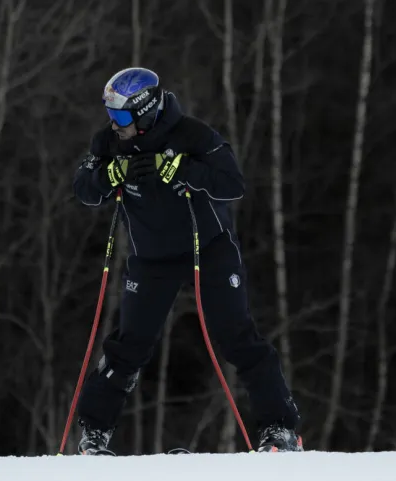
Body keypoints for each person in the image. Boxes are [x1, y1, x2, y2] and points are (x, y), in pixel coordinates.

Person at [72, 67, 303, 454]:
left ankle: (279, 428)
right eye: (111, 116)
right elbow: (83, 187)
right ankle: (95, 432)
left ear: (145, 112)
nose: (115, 125)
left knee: (236, 336)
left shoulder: (192, 134)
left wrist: (184, 169)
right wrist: (108, 174)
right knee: (129, 344)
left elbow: (233, 183)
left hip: (207, 249)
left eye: (123, 117)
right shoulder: (110, 142)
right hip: (151, 258)